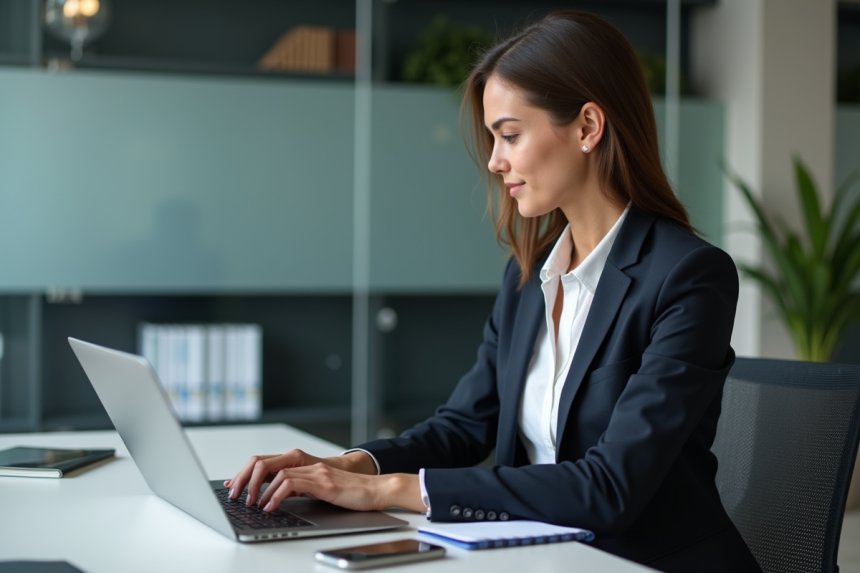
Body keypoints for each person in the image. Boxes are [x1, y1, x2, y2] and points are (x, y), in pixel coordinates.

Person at [224, 11, 761, 572]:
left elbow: (610, 487)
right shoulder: (528, 274)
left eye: (509, 135)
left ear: (587, 127)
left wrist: (389, 492)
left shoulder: (690, 276)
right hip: (542, 555)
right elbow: (464, 425)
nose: (494, 160)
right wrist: (349, 466)